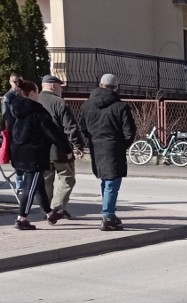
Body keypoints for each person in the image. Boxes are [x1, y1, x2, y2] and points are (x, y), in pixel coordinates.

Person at [2, 79, 72, 230]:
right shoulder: (38, 112)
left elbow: (6, 128)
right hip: (34, 155)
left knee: (38, 184)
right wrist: (66, 149)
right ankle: (22, 219)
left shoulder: (12, 109)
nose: (38, 95)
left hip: (18, 152)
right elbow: (53, 133)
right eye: (37, 92)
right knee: (30, 186)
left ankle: (49, 213)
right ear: (32, 93)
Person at [79, 73, 136, 231]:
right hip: (113, 147)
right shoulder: (121, 106)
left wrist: (90, 142)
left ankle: (109, 213)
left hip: (96, 147)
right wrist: (122, 145)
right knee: (112, 182)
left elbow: (82, 128)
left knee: (105, 180)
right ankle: (108, 215)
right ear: (116, 87)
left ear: (100, 84)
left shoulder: (86, 105)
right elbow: (129, 131)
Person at [39, 74, 85, 223]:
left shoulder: (34, 100)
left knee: (46, 180)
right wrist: (77, 144)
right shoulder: (59, 103)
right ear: (53, 86)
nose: (61, 91)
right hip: (59, 149)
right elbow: (70, 126)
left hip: (40, 149)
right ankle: (57, 207)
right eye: (60, 87)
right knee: (67, 177)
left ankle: (47, 211)